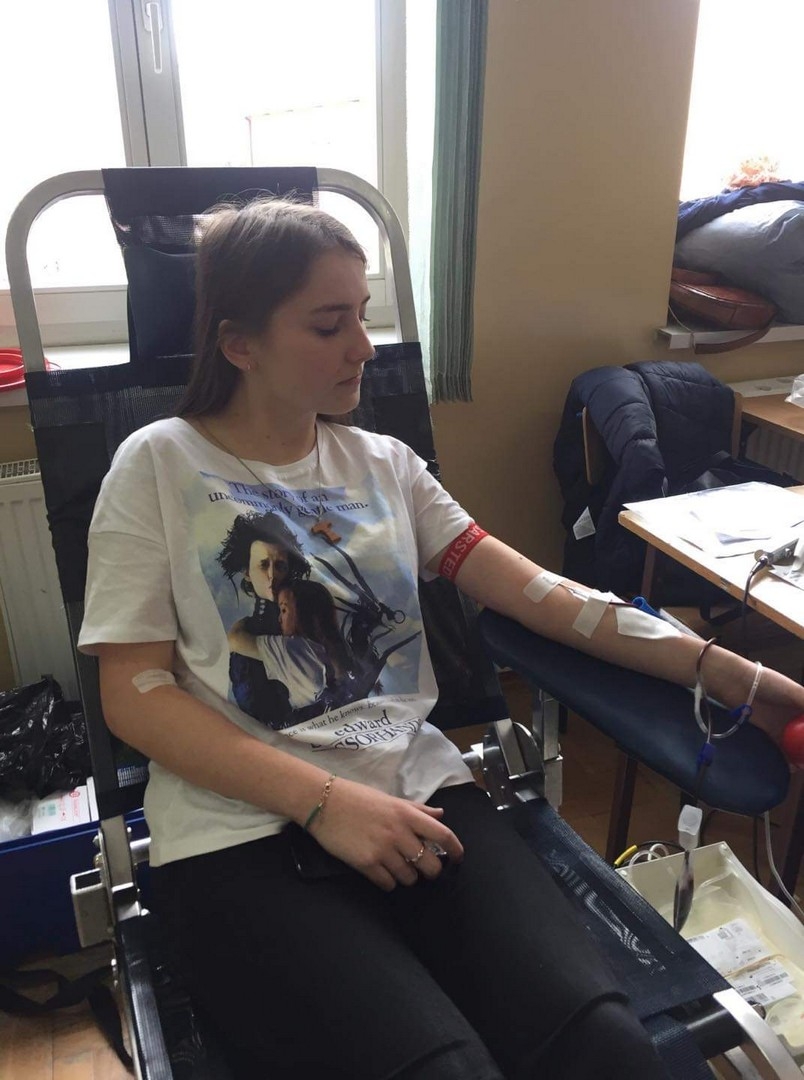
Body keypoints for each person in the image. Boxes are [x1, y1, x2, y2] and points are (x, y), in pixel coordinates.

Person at [78, 198, 804, 1080]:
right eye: (328, 325)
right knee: (442, 1070)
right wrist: (325, 801)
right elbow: (134, 694)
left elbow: (546, 597)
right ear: (239, 344)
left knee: (602, 1045)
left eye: (364, 315)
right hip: (239, 835)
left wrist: (730, 673)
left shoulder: (385, 467)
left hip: (419, 800)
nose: (363, 347)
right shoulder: (158, 464)